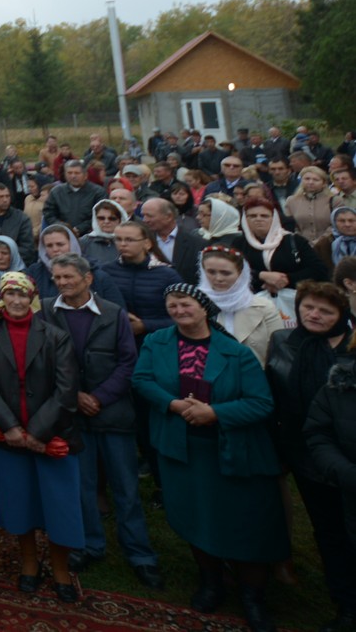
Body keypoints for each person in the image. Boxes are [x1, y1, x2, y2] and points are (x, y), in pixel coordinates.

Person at [136, 285, 289, 631]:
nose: (178, 311)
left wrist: (215, 413)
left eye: (185, 304)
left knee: (245, 523)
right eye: (172, 305)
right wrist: (172, 404)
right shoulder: (157, 342)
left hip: (230, 449)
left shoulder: (236, 353)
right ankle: (211, 582)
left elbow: (261, 403)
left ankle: (252, 596)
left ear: (204, 308)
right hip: (182, 448)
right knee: (197, 516)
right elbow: (142, 379)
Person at [43, 254, 159, 586]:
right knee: (83, 486)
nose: (63, 283)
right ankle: (90, 545)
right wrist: (76, 396)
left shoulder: (112, 313)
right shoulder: (47, 311)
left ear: (88, 279)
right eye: (57, 278)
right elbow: (44, 361)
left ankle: (139, 553)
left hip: (113, 414)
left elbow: (128, 362)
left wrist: (100, 397)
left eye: (68, 277)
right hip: (72, 414)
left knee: (126, 487)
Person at [0, 270, 84, 600]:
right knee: (19, 503)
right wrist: (10, 428)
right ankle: (29, 563)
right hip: (9, 438)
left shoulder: (55, 336)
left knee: (59, 506)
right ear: (1, 298)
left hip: (52, 437)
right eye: (10, 294)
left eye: (23, 294)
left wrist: (37, 432)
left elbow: (66, 389)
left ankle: (61, 568)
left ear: (33, 298)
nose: (17, 300)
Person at [270, 282, 355, 630]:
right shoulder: (284, 342)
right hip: (306, 454)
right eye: (308, 307)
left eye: (325, 311)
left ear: (342, 315)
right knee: (329, 531)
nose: (314, 315)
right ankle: (346, 604)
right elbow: (276, 393)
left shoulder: (352, 348)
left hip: (348, 453)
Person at [196, 245, 285, 366]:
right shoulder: (194, 305)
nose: (218, 278)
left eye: (226, 273)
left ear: (240, 274)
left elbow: (279, 350)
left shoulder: (264, 307)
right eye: (211, 272)